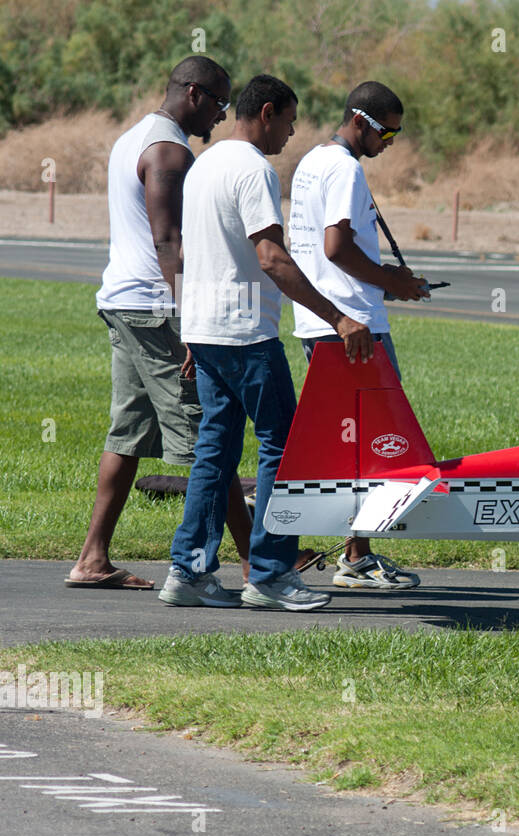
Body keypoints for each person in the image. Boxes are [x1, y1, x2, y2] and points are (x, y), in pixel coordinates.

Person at [161, 74, 374, 611]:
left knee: (215, 452)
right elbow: (272, 258)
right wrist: (339, 318)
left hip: (207, 333)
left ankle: (188, 571)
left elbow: (188, 252)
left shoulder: (203, 163)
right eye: (289, 120)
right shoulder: (253, 168)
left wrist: (191, 330)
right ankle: (271, 576)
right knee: (284, 448)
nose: (293, 131)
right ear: (268, 112)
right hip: (246, 335)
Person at [68, 56, 252, 590]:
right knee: (206, 435)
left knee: (126, 436)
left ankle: (91, 559)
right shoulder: (169, 150)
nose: (221, 116)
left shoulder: (133, 136)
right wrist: (193, 319)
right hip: (156, 309)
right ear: (193, 93)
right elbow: (167, 240)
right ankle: (254, 562)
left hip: (126, 302)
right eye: (218, 102)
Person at [288, 80, 430, 589]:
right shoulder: (344, 167)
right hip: (352, 327)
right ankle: (356, 560)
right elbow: (336, 249)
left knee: (353, 444)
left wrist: (388, 282)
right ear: (361, 122)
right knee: (374, 444)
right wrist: (392, 281)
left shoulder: (312, 161)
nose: (387, 145)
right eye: (386, 135)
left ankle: (356, 552)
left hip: (324, 322)